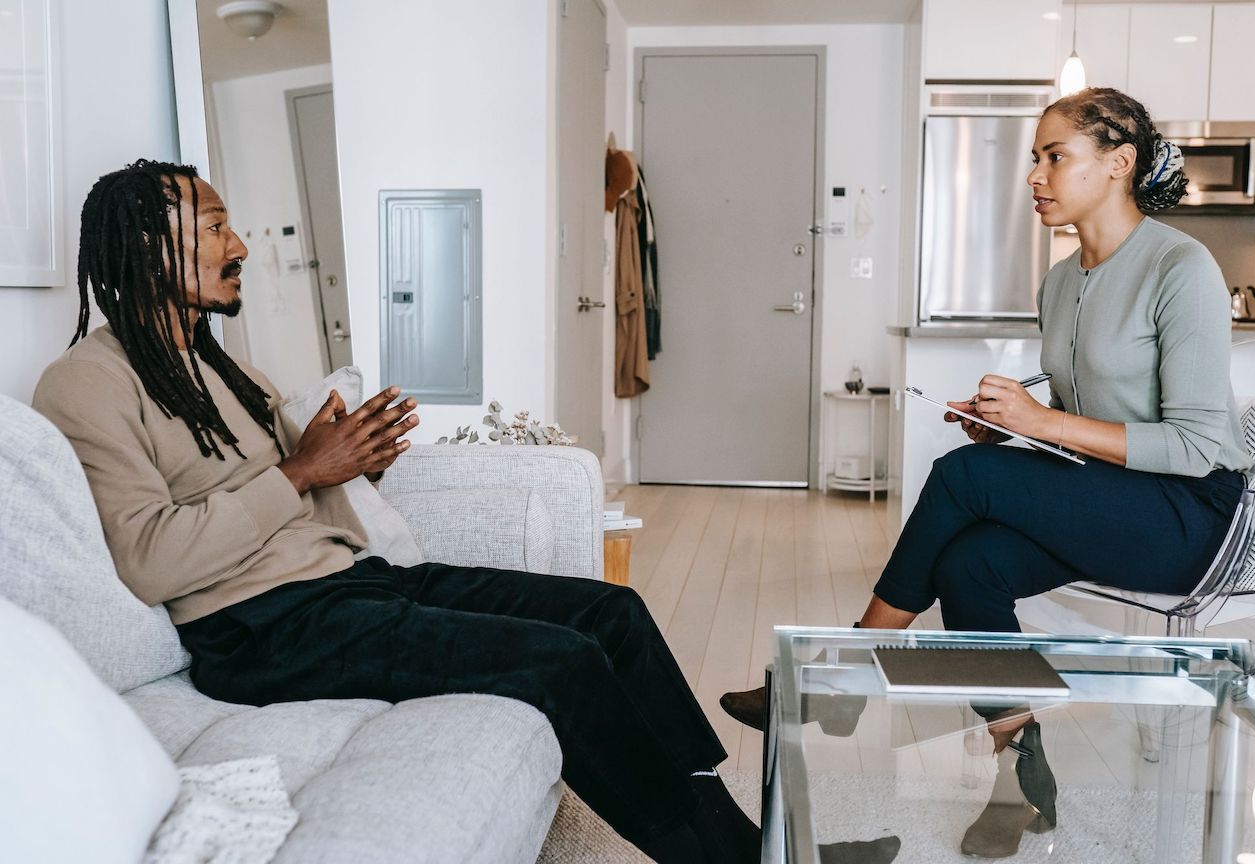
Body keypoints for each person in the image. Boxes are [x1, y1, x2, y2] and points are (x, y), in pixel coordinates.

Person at [36, 159, 769, 864]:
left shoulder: (222, 366)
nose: (241, 247)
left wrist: (358, 464)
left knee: (615, 615)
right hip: (262, 632)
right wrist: (303, 469)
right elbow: (148, 560)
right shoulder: (87, 383)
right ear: (148, 246)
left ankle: (747, 840)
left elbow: (303, 498)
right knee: (564, 663)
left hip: (348, 585)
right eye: (216, 226)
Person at [721, 87, 1251, 856]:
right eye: (1035, 158)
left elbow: (1197, 445)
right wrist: (1005, 426)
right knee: (971, 567)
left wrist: (1040, 424)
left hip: (1190, 516)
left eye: (1054, 157)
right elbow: (1079, 428)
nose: (1035, 175)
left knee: (964, 479)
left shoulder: (1182, 267)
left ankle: (840, 669)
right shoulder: (1062, 281)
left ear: (1118, 163)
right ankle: (1019, 785)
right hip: (1118, 500)